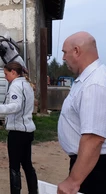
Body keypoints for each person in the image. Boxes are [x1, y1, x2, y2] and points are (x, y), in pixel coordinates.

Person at [57, 31, 106, 194]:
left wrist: (73, 181)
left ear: (77, 51)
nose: (63, 58)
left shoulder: (94, 84)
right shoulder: (87, 79)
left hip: (94, 169)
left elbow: (93, 138)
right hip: (88, 165)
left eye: (65, 52)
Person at [0, 61, 38, 194]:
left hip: (17, 132)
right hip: (27, 131)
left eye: (6, 74)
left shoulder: (15, 85)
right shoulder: (26, 84)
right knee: (27, 165)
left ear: (13, 72)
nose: (5, 77)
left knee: (14, 167)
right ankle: (34, 191)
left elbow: (15, 106)